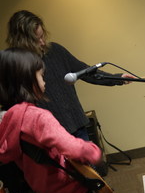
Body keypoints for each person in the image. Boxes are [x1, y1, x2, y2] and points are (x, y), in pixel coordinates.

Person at [0, 48, 135, 193]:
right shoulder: (36, 117)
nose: (44, 79)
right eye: (39, 74)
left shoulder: (10, 119)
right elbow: (74, 148)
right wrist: (93, 150)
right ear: (26, 80)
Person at [6, 10, 134, 141]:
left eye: (42, 35)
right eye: (36, 39)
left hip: (77, 125)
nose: (43, 42)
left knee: (89, 161)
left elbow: (86, 71)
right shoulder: (14, 66)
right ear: (22, 41)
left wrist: (117, 78)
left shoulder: (55, 50)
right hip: (50, 135)